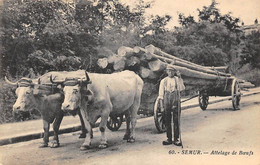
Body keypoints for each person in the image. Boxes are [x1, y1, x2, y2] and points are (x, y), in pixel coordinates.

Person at [158, 65, 185, 146]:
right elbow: (161, 95)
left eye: (172, 71)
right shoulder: (164, 81)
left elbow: (181, 89)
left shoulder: (177, 79)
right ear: (167, 72)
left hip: (175, 101)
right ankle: (169, 139)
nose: (170, 72)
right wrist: (162, 106)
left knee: (176, 121)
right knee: (167, 121)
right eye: (168, 71)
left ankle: (176, 139)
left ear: (174, 72)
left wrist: (180, 78)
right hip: (167, 102)